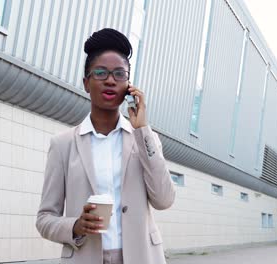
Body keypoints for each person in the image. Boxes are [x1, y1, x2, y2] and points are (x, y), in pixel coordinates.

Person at [36, 28, 176, 264]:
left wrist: (142, 128)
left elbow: (164, 200)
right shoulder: (63, 145)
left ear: (129, 86)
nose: (110, 80)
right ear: (86, 83)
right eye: (100, 73)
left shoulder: (143, 140)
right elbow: (45, 219)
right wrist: (75, 226)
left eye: (120, 74)